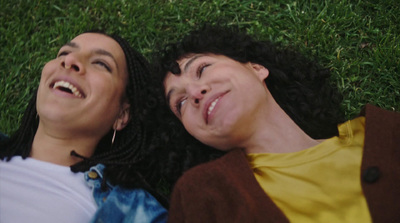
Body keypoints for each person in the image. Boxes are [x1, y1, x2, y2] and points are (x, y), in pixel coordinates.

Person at [154, 24, 400, 222]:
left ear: (257, 68)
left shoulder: (385, 134)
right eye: (180, 103)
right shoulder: (204, 198)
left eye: (202, 68)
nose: (196, 93)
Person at [0, 31, 167, 222]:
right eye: (63, 53)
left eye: (101, 64)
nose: (69, 60)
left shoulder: (131, 210)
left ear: (121, 115)